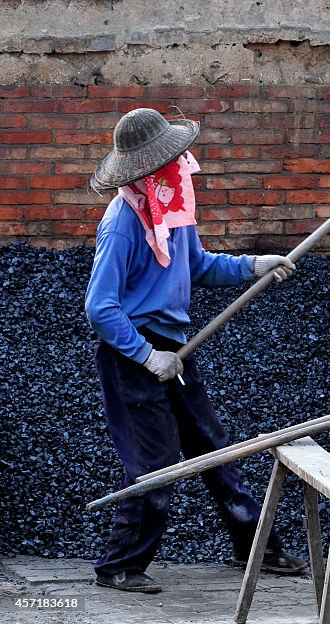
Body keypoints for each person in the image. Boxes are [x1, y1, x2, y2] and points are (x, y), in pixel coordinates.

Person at [85, 108, 306, 594]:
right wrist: (147, 356)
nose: (186, 163)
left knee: (213, 448)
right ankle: (118, 565)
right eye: (176, 158)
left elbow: (200, 265)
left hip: (176, 347)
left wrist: (253, 265)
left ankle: (256, 548)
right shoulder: (123, 222)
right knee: (156, 463)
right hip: (133, 355)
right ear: (148, 169)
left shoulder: (171, 207)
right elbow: (100, 308)